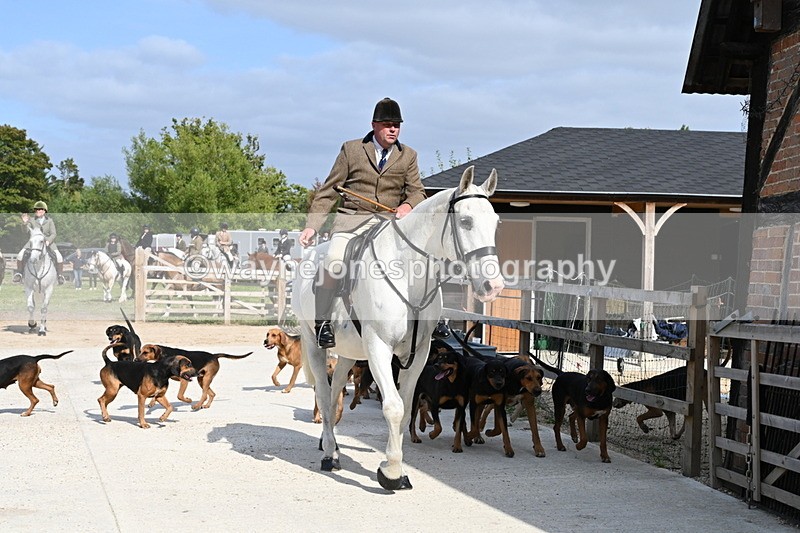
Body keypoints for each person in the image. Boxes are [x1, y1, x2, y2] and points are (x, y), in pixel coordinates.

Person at [298, 97, 426, 348]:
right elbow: (328, 190)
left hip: (389, 224)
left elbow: (417, 192)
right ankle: (322, 323)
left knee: (421, 261)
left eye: (397, 125)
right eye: (388, 124)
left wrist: (407, 205)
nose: (393, 129)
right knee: (334, 260)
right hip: (352, 222)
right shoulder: (351, 149)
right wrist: (313, 225)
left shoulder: (408, 155)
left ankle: (430, 320)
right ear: (374, 125)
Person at [13, 201, 67, 285]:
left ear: (45, 211)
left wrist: (49, 240)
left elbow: (53, 233)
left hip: (48, 242)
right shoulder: (31, 220)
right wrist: (24, 223)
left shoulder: (50, 221)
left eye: (41, 209)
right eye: (37, 210)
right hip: (33, 242)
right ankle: (19, 273)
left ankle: (60, 276)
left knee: (59, 257)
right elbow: (25, 231)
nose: (38, 211)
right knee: (20, 255)